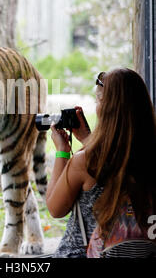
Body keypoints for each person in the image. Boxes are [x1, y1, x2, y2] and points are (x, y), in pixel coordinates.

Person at [46, 68, 156, 258]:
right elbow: (120, 163)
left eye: (98, 100)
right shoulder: (150, 158)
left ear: (107, 107)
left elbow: (55, 208)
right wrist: (88, 139)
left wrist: (62, 151)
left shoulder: (85, 161)